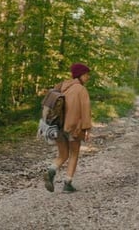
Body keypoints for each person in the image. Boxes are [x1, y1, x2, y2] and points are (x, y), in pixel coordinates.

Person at [43, 63, 92, 193]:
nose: (88, 77)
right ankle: (67, 184)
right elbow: (86, 111)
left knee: (63, 155)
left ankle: (51, 170)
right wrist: (87, 129)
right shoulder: (81, 90)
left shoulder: (62, 86)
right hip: (74, 128)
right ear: (80, 75)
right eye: (87, 75)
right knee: (74, 154)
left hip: (58, 127)